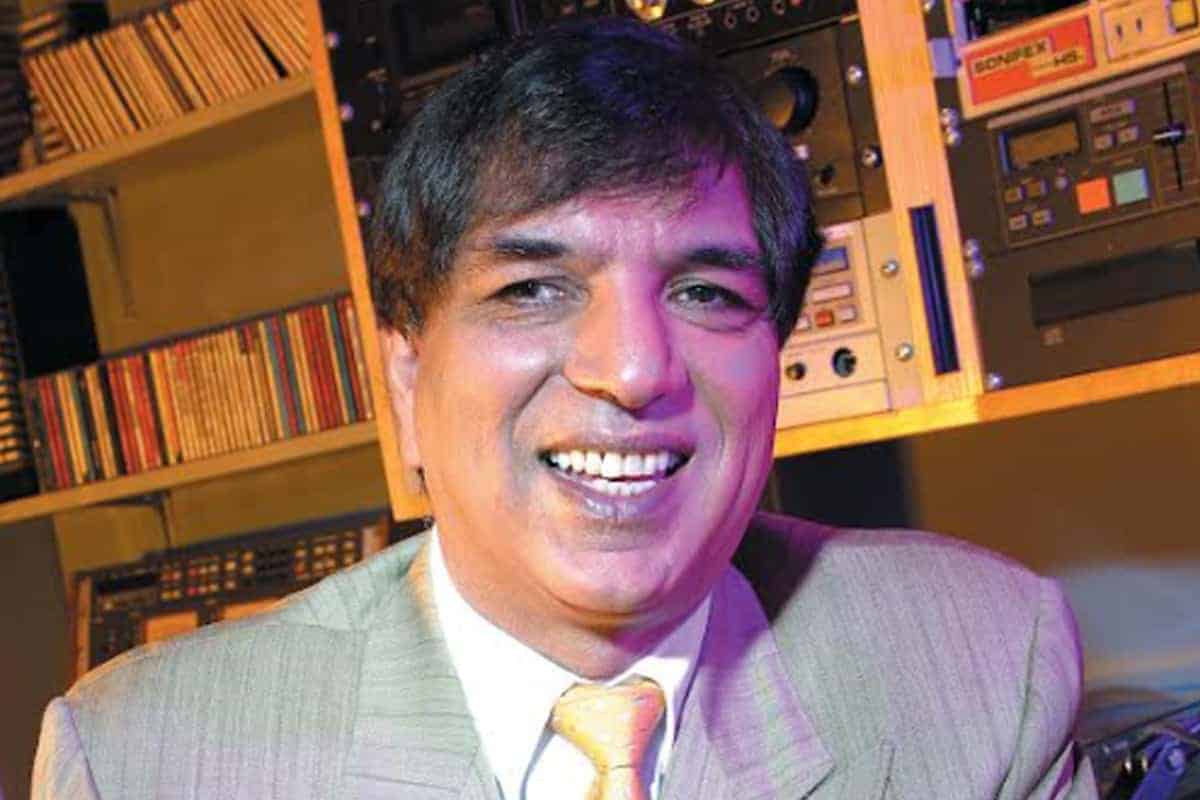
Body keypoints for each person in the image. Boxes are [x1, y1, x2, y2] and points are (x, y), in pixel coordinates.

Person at [32, 18, 1097, 800]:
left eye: (706, 293)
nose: (632, 369)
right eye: (532, 289)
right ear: (405, 379)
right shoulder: (143, 759)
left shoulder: (983, 661)